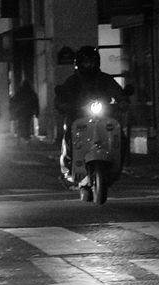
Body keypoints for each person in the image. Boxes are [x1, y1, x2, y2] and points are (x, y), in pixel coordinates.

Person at [50, 45, 123, 187]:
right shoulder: (72, 81)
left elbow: (117, 92)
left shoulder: (105, 79)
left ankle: (116, 165)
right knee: (69, 135)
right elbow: (61, 96)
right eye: (85, 62)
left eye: (92, 61)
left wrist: (123, 101)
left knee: (121, 136)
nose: (89, 65)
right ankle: (68, 167)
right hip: (78, 116)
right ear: (79, 63)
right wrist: (62, 104)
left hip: (105, 116)